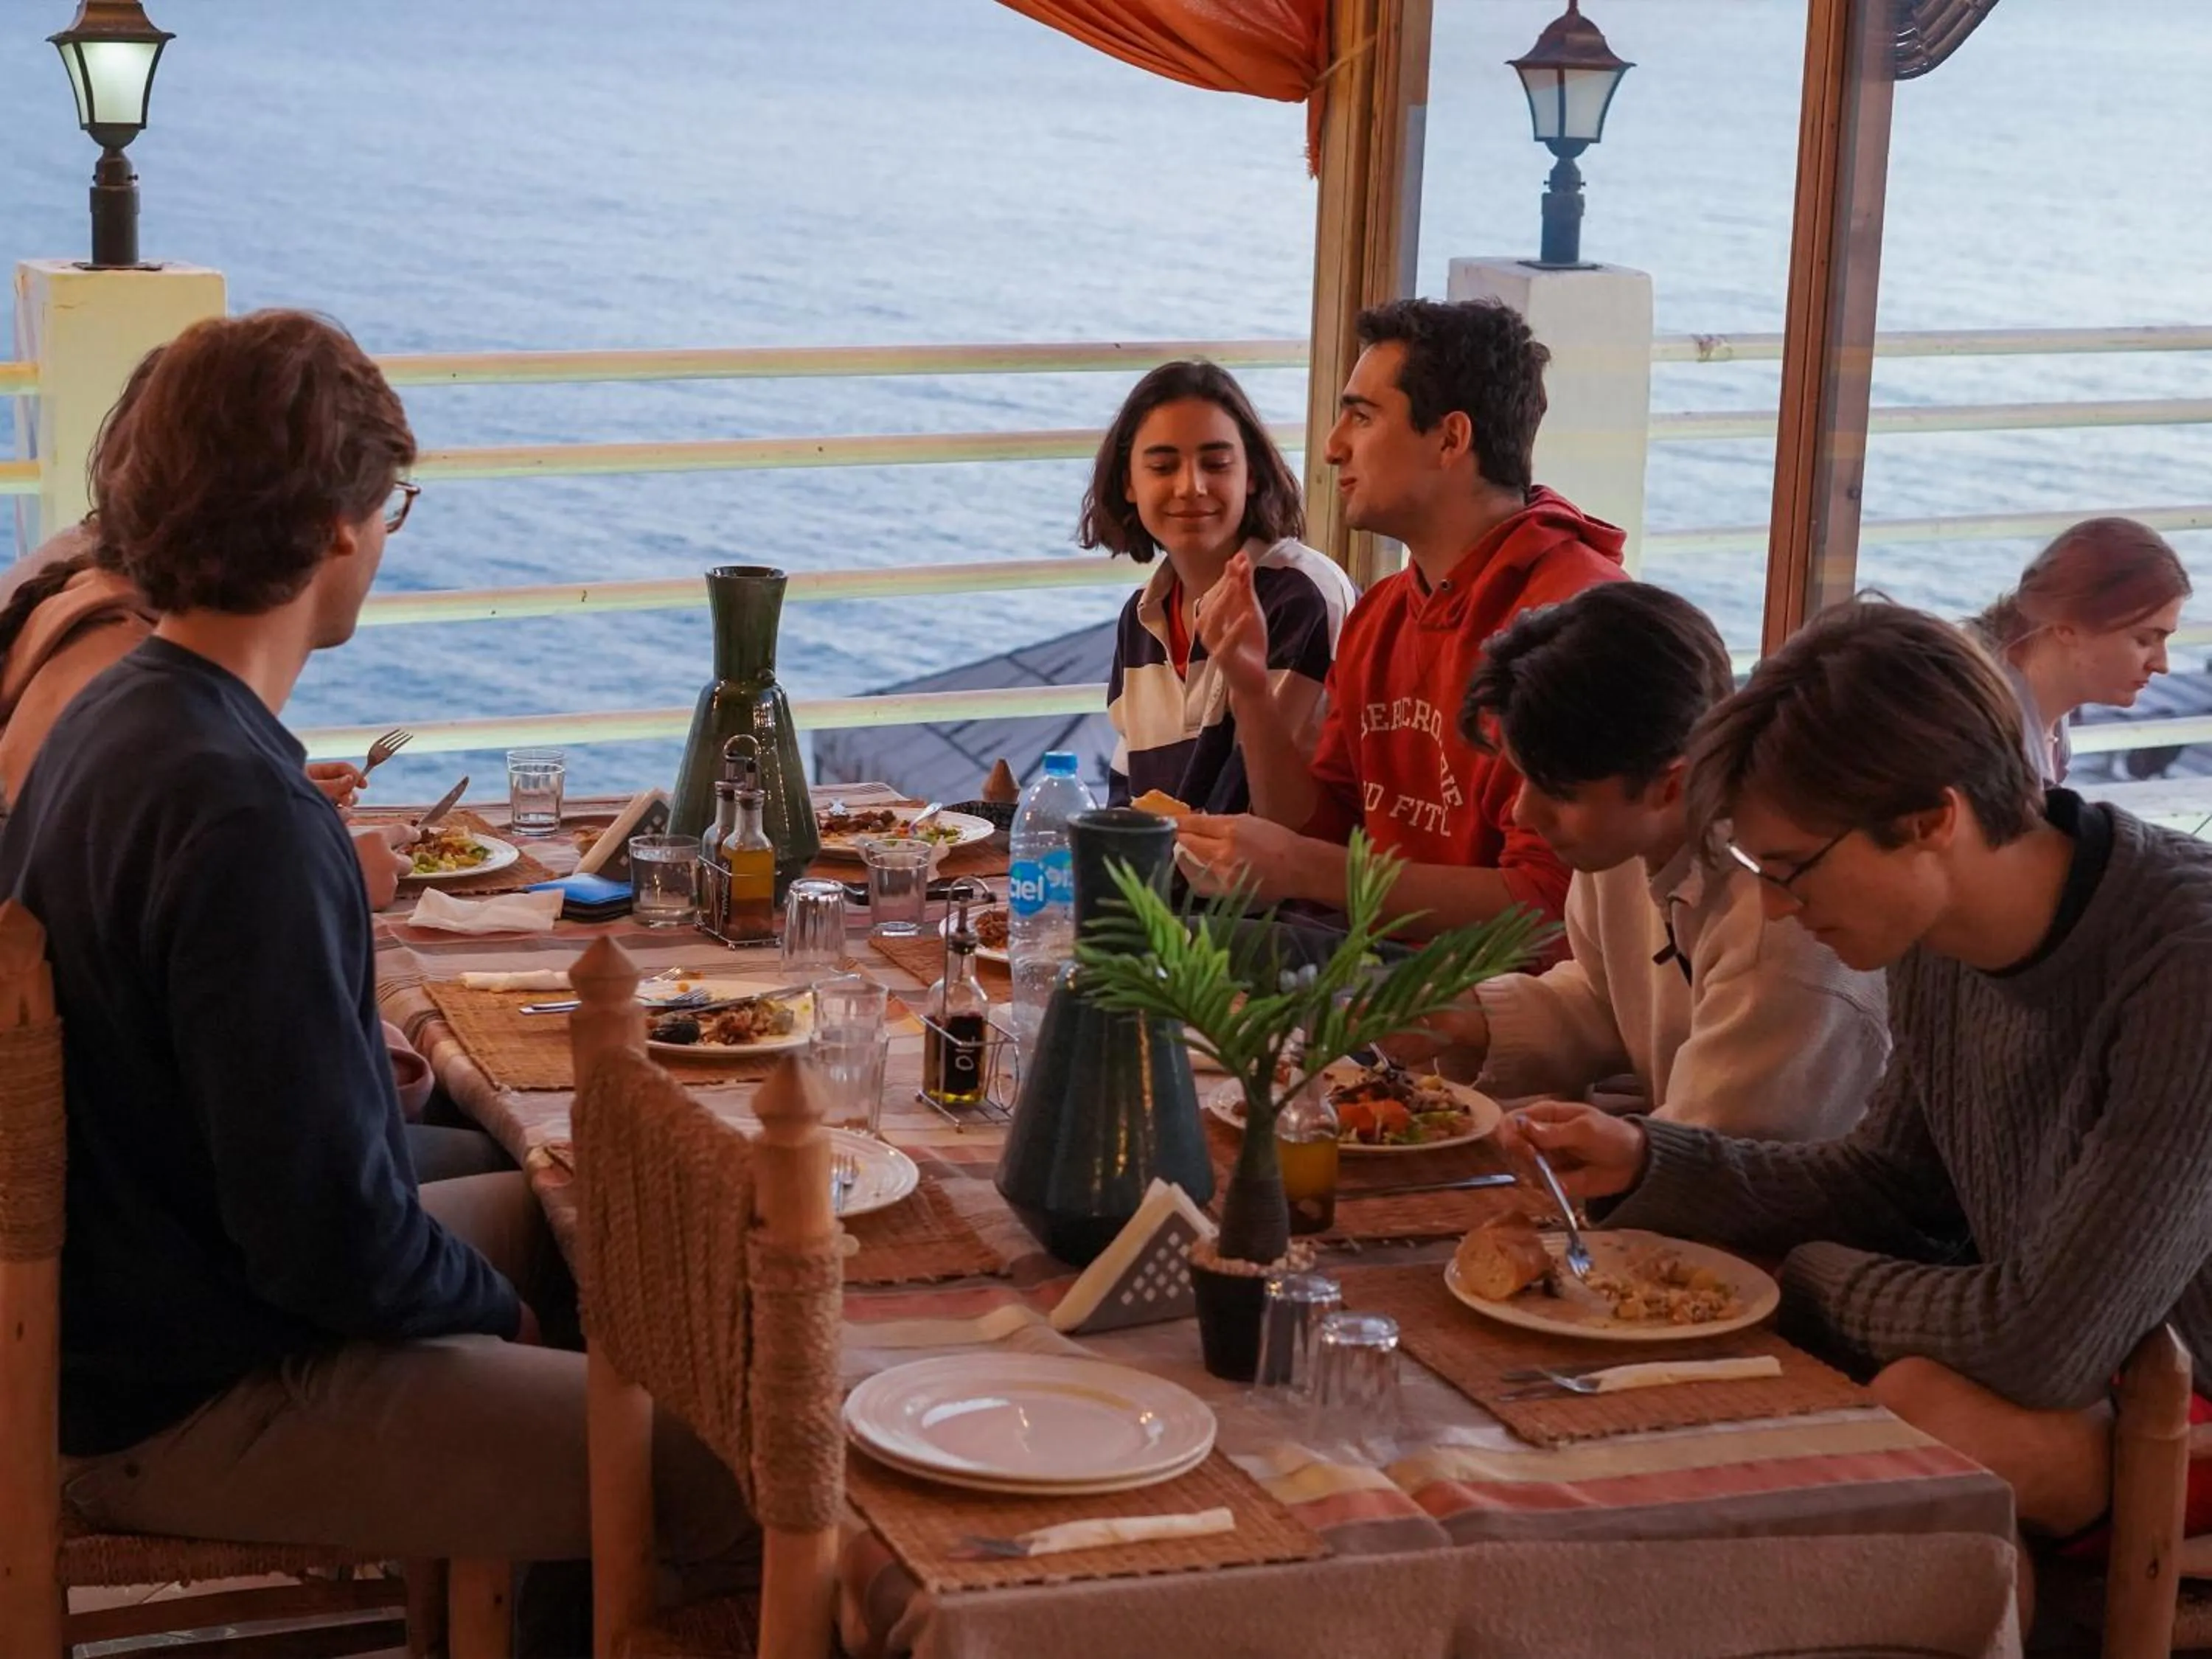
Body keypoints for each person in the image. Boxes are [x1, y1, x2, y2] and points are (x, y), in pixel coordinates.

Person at [0, 311, 747, 1629]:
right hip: (192, 1390)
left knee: (577, 1223)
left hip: (128, 1302)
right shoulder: (245, 812)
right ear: (333, 527)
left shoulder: (127, 713)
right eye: (390, 505)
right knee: (730, 1462)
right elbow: (325, 1239)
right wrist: (499, 1316)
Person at [1514, 599, 2212, 1596]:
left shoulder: (2184, 962)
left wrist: (1789, 1279)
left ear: (1932, 820)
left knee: (1917, 1415)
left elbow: (2040, 1342)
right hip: (2087, 1357)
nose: (1772, 907)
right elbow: (1891, 1184)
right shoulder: (1939, 930)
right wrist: (1648, 1162)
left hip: (2168, 1385)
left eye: (1790, 870)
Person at [1179, 296, 1626, 938]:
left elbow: (1550, 908)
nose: (1332, 448)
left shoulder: (1577, 620)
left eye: (1361, 417)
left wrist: (1303, 868)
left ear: (1450, 439)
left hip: (1512, 991)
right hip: (1383, 973)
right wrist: (1250, 689)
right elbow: (1325, 833)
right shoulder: (1383, 612)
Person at [1395, 582, 1886, 1138]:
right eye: (1522, 777)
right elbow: (1606, 999)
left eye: (1558, 791)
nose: (1523, 812)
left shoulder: (1781, 921)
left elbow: (1722, 1153)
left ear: (1670, 784)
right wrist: (1466, 1016)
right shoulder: (1622, 846)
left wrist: (1616, 1146)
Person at [1085, 361, 1357, 813]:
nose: (1190, 486)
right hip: (1167, 863)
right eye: (1162, 466)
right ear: (1129, 483)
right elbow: (1129, 806)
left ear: (1251, 475)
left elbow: (1271, 816)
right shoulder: (1141, 617)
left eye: (1216, 464)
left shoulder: (1301, 597)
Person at [1968, 516, 2191, 784]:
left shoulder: (2041, 703)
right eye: (2144, 640)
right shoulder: (1990, 739)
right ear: (2067, 626)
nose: (2162, 665)